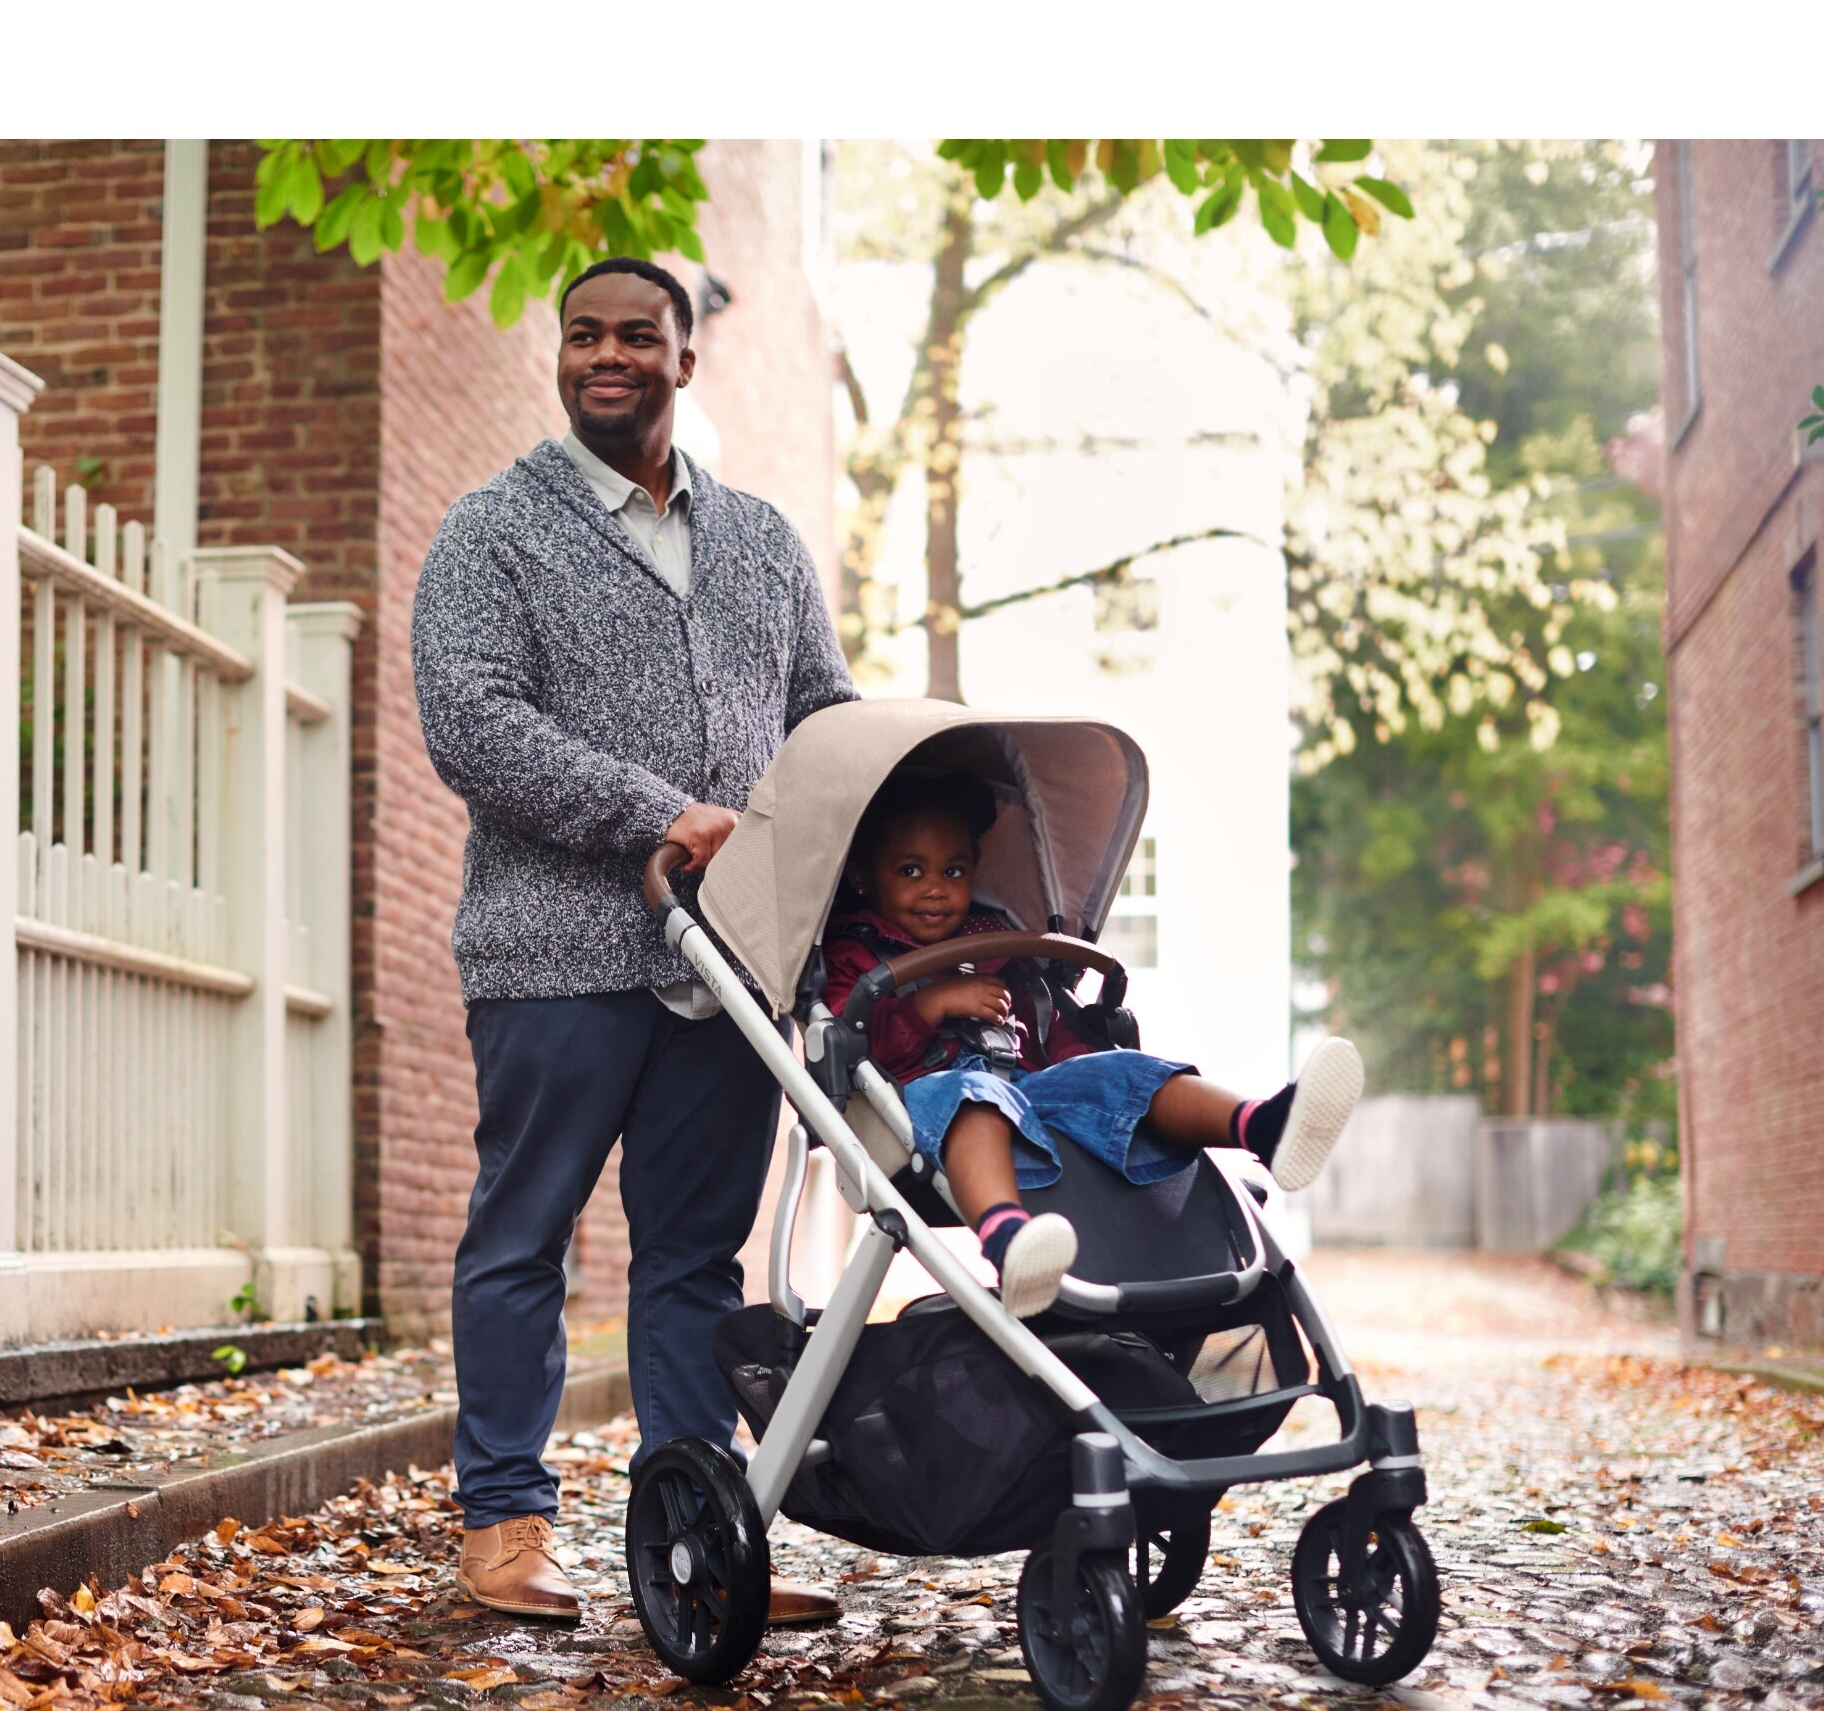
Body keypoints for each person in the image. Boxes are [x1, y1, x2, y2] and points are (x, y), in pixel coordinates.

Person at [412, 256, 858, 1622]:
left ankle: (702, 1529)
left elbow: (824, 723)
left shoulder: (764, 543)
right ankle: (504, 1522)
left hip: (729, 966)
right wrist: (658, 813)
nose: (607, 355)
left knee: (693, 1260)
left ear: (683, 358)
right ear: (561, 356)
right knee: (524, 1238)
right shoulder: (491, 534)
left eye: (636, 336)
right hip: (554, 955)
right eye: (583, 335)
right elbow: (474, 727)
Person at [821, 770, 1363, 1316]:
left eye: (954, 870)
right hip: (923, 1100)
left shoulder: (992, 940)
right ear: (863, 876)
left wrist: (1092, 1081)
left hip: (1029, 1090)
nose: (936, 888)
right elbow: (853, 1040)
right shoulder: (854, 955)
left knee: (1123, 1073)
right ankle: (1009, 1240)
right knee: (974, 1097)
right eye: (910, 871)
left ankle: (1264, 1126)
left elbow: (1050, 1033)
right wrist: (929, 1004)